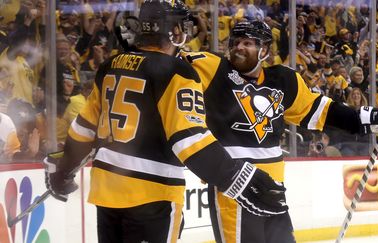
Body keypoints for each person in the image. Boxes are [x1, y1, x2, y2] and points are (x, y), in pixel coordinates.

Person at [43, 1, 287, 243]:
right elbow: (190, 141)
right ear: (174, 30)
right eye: (182, 25)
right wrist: (240, 181)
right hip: (152, 196)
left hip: (106, 192)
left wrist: (64, 170)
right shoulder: (177, 71)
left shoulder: (111, 65)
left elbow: (84, 129)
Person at [180, 20, 378, 243]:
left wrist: (365, 119)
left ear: (264, 51)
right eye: (236, 42)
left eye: (247, 43)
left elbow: (321, 111)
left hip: (273, 190)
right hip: (234, 188)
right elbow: (169, 62)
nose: (239, 47)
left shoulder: (283, 80)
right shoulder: (212, 68)